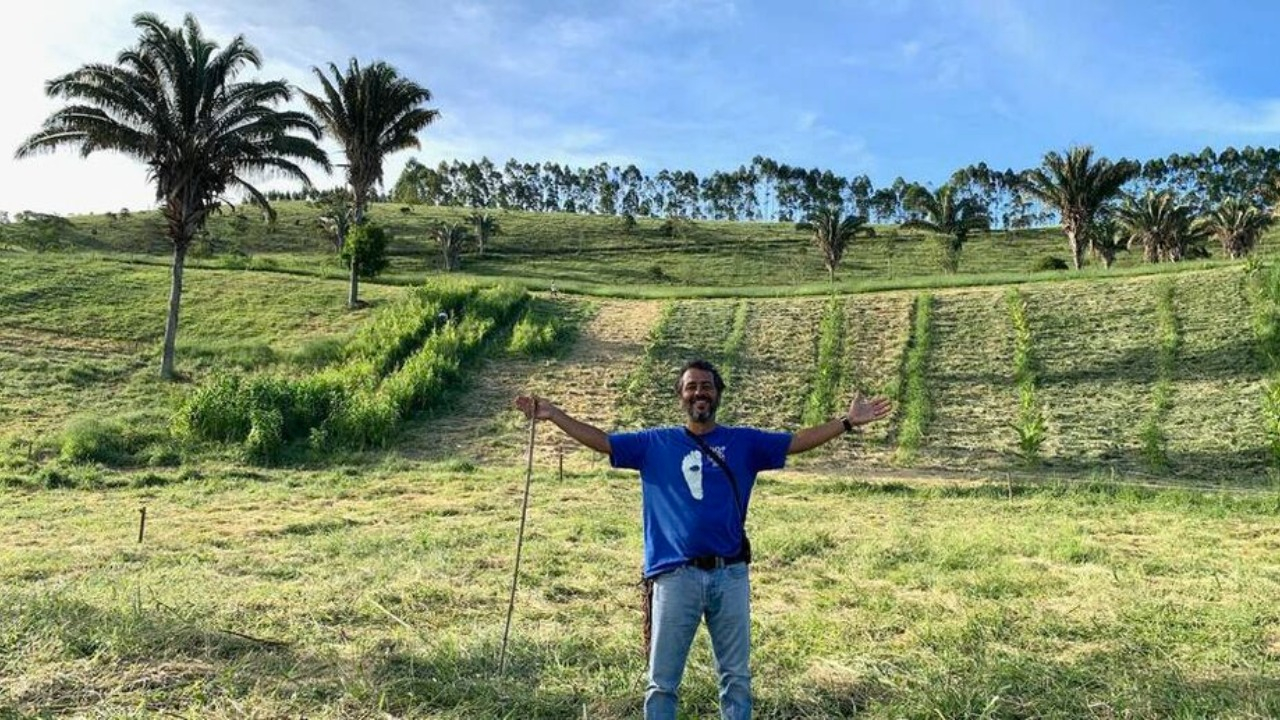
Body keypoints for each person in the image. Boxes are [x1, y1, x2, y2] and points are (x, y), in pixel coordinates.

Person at [514, 359, 892, 720]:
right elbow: (604, 442)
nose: (700, 393)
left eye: (707, 386)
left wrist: (846, 422)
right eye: (691, 386)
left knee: (736, 680)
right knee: (662, 683)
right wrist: (553, 415)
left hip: (730, 577)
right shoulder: (654, 444)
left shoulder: (744, 442)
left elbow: (795, 442)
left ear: (718, 394)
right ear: (680, 395)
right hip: (675, 577)